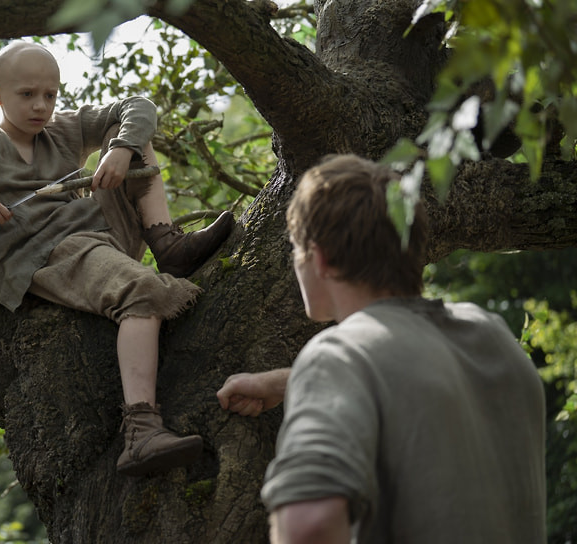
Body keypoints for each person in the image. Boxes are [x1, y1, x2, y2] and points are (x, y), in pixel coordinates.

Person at [0, 41, 234, 476]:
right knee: (140, 290)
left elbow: (138, 106)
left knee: (130, 135)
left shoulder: (61, 129)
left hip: (99, 230)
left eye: (50, 94)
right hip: (45, 253)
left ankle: (168, 244)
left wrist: (120, 148)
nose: (40, 105)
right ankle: (141, 431)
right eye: (27, 94)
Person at [216, 154, 546, 543]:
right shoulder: (492, 337)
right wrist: (290, 382)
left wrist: (316, 375)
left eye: (295, 249)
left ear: (320, 258)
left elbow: (308, 525)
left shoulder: (337, 357)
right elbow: (416, 377)